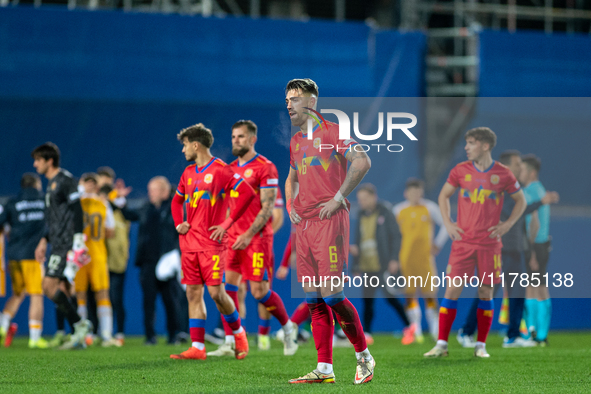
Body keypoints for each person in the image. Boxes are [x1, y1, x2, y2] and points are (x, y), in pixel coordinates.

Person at [285, 78, 374, 385]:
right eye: (286, 100)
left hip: (329, 223)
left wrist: (337, 199)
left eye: (294, 99)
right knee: (313, 299)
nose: (288, 105)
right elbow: (291, 177)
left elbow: (362, 162)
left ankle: (364, 356)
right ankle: (324, 369)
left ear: (311, 102)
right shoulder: (297, 140)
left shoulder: (334, 132)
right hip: (305, 225)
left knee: (333, 295)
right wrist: (289, 204)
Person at [424, 127, 526, 358]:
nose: (466, 147)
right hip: (463, 243)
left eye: (471, 143)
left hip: (490, 245)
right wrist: (449, 224)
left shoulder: (503, 174)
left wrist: (507, 224)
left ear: (485, 145)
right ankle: (441, 344)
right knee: (451, 291)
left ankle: (481, 346)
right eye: (467, 142)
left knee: (485, 292)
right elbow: (443, 196)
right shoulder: (460, 171)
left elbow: (521, 201)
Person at [207, 120, 297, 358]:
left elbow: (267, 207)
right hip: (233, 239)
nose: (236, 140)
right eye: (234, 136)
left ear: (252, 139)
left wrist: (248, 235)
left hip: (257, 239)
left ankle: (288, 328)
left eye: (241, 137)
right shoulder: (229, 169)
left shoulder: (265, 167)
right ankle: (230, 341)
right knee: (228, 289)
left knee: (259, 292)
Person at [170, 123, 256, 360]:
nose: (183, 150)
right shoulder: (187, 173)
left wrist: (227, 224)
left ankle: (239, 334)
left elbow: (248, 194)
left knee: (217, 293)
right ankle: (197, 347)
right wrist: (179, 224)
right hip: (189, 244)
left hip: (212, 245)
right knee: (193, 293)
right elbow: (177, 202)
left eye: (185, 145)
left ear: (195, 145)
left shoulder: (220, 169)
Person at [456, 151, 559, 348]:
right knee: (488, 290)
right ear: (507, 167)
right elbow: (515, 210)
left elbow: (519, 220)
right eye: (517, 163)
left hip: (514, 248)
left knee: (517, 291)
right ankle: (466, 331)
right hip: (497, 248)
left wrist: (527, 249)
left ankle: (513, 336)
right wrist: (540, 202)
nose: (521, 166)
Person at [32, 142, 92, 349]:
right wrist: (43, 240)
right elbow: (53, 218)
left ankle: (80, 325)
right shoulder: (51, 184)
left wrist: (77, 239)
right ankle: (78, 336)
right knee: (66, 288)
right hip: (56, 240)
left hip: (66, 242)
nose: (34, 164)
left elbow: (77, 210)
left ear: (49, 161)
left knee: (48, 287)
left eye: (38, 160)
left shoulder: (65, 180)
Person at [351, 183, 416, 346]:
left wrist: (394, 259)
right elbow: (357, 241)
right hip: (367, 266)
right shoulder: (360, 214)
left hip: (383, 264)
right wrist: (355, 265)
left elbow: (396, 236)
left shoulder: (385, 211)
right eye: (360, 199)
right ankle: (367, 333)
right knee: (367, 300)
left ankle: (410, 327)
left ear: (374, 197)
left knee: (390, 298)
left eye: (365, 199)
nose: (362, 202)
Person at [121, 176, 182, 345]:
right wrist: (120, 200)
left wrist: (178, 257)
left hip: (166, 263)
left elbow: (182, 233)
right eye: (149, 190)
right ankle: (150, 336)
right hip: (147, 263)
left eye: (153, 190)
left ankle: (173, 335)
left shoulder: (174, 207)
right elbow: (128, 214)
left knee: (170, 301)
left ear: (164, 191)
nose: (150, 193)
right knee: (148, 301)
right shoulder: (145, 208)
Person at [393, 178, 449, 343]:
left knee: (430, 294)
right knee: (409, 294)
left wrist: (437, 244)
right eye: (411, 192)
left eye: (417, 191)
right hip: (405, 259)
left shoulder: (429, 207)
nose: (414, 195)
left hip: (425, 259)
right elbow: (392, 234)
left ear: (421, 192)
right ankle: (415, 330)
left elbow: (446, 225)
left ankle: (435, 329)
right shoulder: (398, 210)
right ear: (406, 193)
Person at [0, 173, 49, 348]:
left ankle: (3, 324)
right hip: (32, 255)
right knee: (36, 295)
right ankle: (35, 338)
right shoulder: (44, 200)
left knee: (18, 293)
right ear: (36, 184)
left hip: (14, 256)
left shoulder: (13, 202)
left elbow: (1, 223)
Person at [74, 173, 119, 347]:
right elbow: (110, 231)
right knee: (100, 294)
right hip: (97, 252)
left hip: (81, 253)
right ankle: (106, 334)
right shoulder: (103, 204)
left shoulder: (76, 202)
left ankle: (85, 334)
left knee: (81, 295)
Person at [96, 167, 131, 346]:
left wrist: (119, 199)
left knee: (116, 297)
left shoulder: (119, 208)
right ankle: (96, 332)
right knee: (95, 297)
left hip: (116, 261)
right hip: (97, 260)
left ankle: (119, 332)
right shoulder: (92, 206)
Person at [521, 154, 553, 346]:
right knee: (536, 287)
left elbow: (534, 222)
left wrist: (530, 250)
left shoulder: (530, 191)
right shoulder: (540, 190)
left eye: (523, 169)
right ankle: (537, 334)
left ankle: (536, 334)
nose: (520, 173)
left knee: (536, 289)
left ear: (532, 172)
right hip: (542, 244)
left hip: (534, 245)